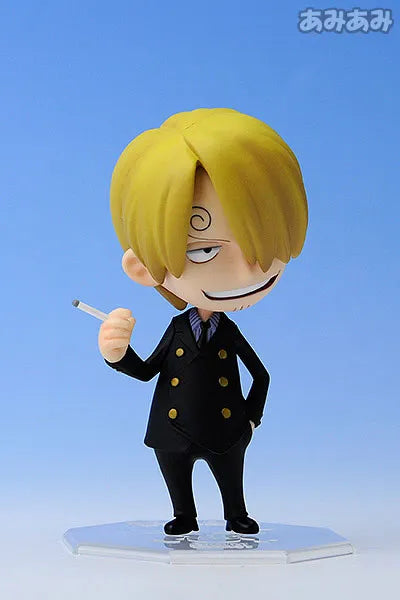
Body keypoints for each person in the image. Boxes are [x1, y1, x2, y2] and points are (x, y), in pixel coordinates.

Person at [98, 108, 308, 535]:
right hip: (172, 427)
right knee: (176, 478)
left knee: (231, 479)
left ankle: (235, 514)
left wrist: (251, 419)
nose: (248, 272)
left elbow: (260, 375)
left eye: (263, 240)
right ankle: (184, 515)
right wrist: (117, 354)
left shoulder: (228, 331)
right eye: (204, 250)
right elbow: (147, 371)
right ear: (143, 268)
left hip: (227, 429)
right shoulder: (178, 329)